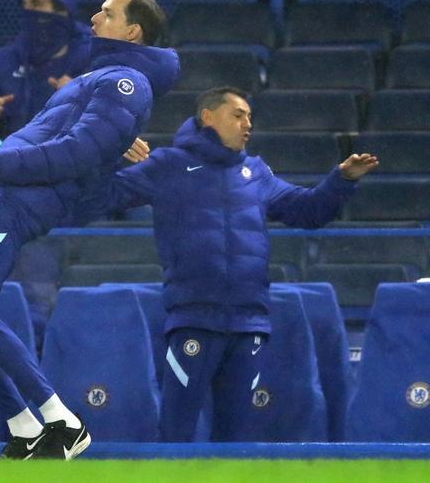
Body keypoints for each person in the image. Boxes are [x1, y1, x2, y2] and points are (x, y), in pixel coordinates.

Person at [0, 0, 179, 459]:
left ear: (132, 31)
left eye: (107, 12)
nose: (94, 18)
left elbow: (78, 153)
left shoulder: (126, 83)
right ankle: (24, 427)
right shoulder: (99, 77)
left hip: (15, 196)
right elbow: (73, 145)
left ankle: (63, 421)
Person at [85, 86, 379, 441]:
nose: (247, 124)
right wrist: (109, 156)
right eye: (238, 115)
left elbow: (308, 210)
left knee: (237, 437)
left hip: (248, 323)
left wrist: (342, 180)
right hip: (193, 318)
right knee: (176, 431)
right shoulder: (168, 165)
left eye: (250, 117)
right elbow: (102, 196)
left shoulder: (256, 173)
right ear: (208, 117)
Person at [0, 0, 93, 140]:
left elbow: (112, 121)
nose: (28, 11)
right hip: (11, 152)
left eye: (36, 4)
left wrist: (81, 99)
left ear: (62, 13)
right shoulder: (5, 59)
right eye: (25, 5)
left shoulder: (93, 60)